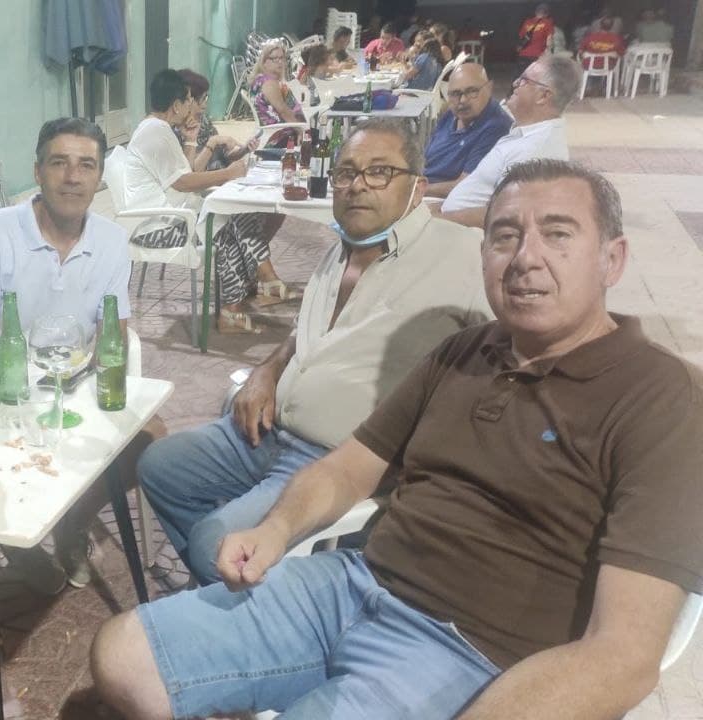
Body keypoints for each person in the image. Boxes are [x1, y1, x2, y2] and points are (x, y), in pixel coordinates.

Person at [93, 157, 703, 720]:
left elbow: (625, 656)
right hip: (352, 585)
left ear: (613, 259)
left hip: (469, 655)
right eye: (505, 235)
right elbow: (346, 469)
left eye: (559, 233)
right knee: (122, 656)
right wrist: (274, 530)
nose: (525, 258)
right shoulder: (464, 351)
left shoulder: (663, 399)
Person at [136, 119, 491, 584]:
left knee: (212, 543)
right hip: (267, 430)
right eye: (346, 172)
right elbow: (309, 334)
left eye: (380, 172)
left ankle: (243, 587)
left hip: (334, 458)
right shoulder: (343, 248)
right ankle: (236, 590)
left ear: (417, 187)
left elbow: (516, 355)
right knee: (159, 466)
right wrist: (267, 370)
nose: (358, 185)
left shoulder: (463, 254)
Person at [0, 117, 164, 592]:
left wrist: (78, 381)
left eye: (86, 165)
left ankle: (74, 521)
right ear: (38, 171)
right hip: (11, 385)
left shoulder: (110, 240)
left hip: (75, 378)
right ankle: (14, 531)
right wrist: (29, 392)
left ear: (99, 177)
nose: (73, 177)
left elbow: (112, 334)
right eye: (59, 163)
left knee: (150, 438)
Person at [128, 68, 295, 336]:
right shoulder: (156, 133)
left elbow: (184, 171)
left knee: (238, 216)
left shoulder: (159, 129)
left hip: (172, 215)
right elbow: (183, 182)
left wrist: (191, 140)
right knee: (229, 223)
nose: (192, 106)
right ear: (176, 105)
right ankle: (245, 298)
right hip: (155, 227)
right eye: (188, 101)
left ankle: (248, 294)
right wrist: (228, 174)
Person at [438, 55, 580, 228]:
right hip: (449, 218)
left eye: (524, 81)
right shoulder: (526, 133)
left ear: (543, 96)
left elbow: (504, 215)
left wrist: (436, 218)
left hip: (464, 233)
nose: (515, 84)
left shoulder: (535, 151)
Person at [422, 64, 513, 197]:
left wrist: (417, 190)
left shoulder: (496, 127)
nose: (462, 100)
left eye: (472, 91)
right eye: (455, 94)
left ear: (489, 88)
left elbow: (466, 186)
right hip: (422, 181)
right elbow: (427, 154)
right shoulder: (452, 114)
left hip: (438, 198)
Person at [175, 68, 254, 172]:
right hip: (211, 180)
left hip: (223, 175)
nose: (206, 102)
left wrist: (244, 149)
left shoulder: (203, 121)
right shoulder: (177, 131)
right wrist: (213, 142)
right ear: (189, 100)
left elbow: (224, 155)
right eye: (203, 97)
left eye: (206, 97)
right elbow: (192, 173)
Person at [517, 4, 555, 73]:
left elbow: (521, 37)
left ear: (535, 12)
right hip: (538, 55)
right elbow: (549, 41)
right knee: (537, 76)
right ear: (547, 14)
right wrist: (549, 53)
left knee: (522, 76)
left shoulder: (527, 22)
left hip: (523, 54)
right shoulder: (548, 22)